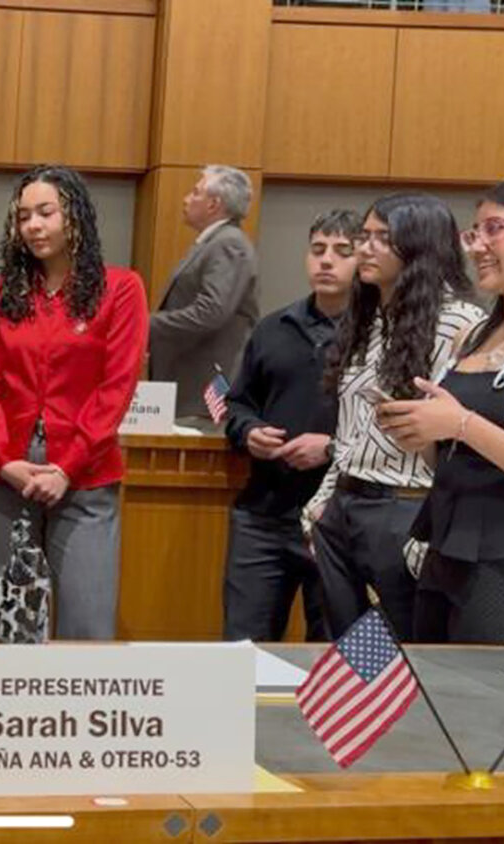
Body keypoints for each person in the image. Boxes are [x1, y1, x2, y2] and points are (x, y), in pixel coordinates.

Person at [378, 172, 504, 645]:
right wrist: (424, 434)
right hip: (446, 547)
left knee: (484, 710)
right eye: (475, 231)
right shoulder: (475, 334)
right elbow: (460, 459)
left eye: (496, 229)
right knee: (435, 699)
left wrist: (464, 424)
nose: (476, 246)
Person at [0, 165, 149, 640]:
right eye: (23, 215)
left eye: (45, 212)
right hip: (7, 475)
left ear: (75, 217)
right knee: (7, 623)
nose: (33, 225)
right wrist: (2, 459)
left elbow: (116, 388)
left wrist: (66, 466)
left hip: (84, 474)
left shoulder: (121, 289)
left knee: (86, 625)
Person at [303, 193, 486, 642]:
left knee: (408, 654)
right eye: (364, 236)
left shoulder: (460, 322)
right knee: (346, 656)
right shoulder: (368, 318)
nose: (365, 248)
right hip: (344, 505)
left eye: (383, 239)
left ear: (420, 245)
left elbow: (465, 436)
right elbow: (351, 427)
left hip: (405, 508)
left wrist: (427, 527)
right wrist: (321, 505)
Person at [222, 210, 361, 643]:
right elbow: (236, 404)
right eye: (318, 250)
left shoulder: (382, 334)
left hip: (341, 519)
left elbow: (400, 434)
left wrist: (333, 447)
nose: (326, 261)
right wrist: (248, 431)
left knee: (339, 657)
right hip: (263, 515)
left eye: (342, 252)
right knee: (242, 646)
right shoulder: (273, 328)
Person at [148, 164, 261, 421]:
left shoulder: (228, 244)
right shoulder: (214, 242)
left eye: (195, 192)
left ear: (213, 204)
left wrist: (146, 324)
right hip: (187, 387)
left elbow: (211, 311)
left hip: (203, 392)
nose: (187, 199)